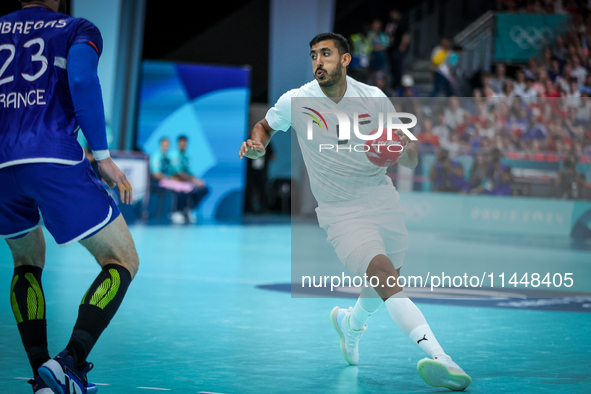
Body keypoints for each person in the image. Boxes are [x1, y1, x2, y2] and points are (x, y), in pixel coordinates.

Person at [239, 32, 471, 391]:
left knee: (384, 278)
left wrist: (399, 149)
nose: (319, 61)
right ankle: (442, 357)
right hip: (340, 211)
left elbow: (410, 155)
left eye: (327, 54)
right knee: (385, 276)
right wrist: (257, 144)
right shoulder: (297, 100)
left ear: (345, 60)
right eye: (314, 54)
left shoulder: (373, 98)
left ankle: (351, 324)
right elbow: (265, 126)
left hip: (381, 198)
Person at [0, 1, 139, 394]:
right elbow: (81, 81)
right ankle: (69, 361)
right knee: (122, 259)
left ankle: (42, 376)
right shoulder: (77, 28)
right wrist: (104, 156)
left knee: (26, 261)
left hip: (1, 164)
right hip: (51, 157)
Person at [169, 135, 210, 223]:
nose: (183, 145)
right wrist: (193, 181)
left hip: (185, 181)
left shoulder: (185, 156)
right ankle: (177, 211)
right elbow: (179, 173)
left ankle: (188, 209)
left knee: (204, 189)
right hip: (175, 180)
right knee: (184, 189)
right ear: (178, 143)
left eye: (185, 143)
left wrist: (197, 180)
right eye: (181, 143)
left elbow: (189, 172)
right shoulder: (174, 155)